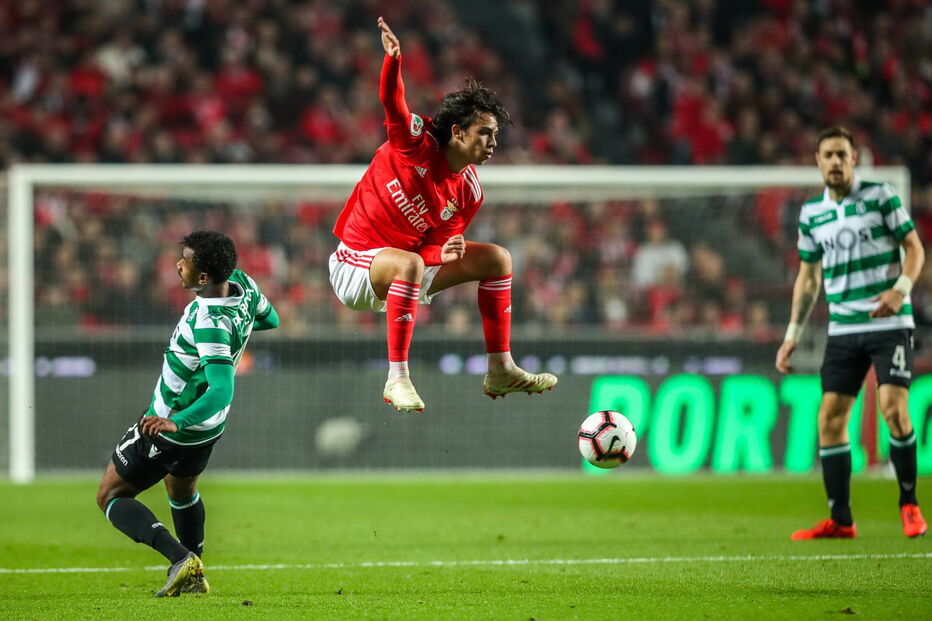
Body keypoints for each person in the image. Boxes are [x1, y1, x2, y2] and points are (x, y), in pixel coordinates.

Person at [328, 17, 557, 412]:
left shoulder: (468, 192)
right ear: (457, 132)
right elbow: (392, 104)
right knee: (411, 264)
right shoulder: (414, 143)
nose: (493, 143)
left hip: (408, 268)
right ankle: (396, 378)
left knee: (496, 258)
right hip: (355, 265)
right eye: (485, 133)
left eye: (496, 135)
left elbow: (434, 246)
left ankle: (500, 368)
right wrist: (393, 62)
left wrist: (441, 255)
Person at [95, 231, 279, 596]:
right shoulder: (242, 284)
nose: (178, 264)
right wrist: (236, 331)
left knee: (110, 495)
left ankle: (180, 558)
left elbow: (223, 388)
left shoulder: (209, 319)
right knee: (180, 490)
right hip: (208, 428)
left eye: (185, 261)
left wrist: (174, 420)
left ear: (203, 278)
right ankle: (193, 570)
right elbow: (270, 319)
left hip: (173, 423)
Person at [776, 126, 927, 540]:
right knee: (830, 419)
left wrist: (900, 290)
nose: (836, 162)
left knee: (893, 409)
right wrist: (792, 333)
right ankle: (841, 520)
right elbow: (808, 280)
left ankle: (909, 504)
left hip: (888, 323)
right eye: (828, 155)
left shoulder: (881, 197)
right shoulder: (811, 214)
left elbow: (914, 248)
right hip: (843, 329)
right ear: (818, 161)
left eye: (843, 154)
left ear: (855, 158)